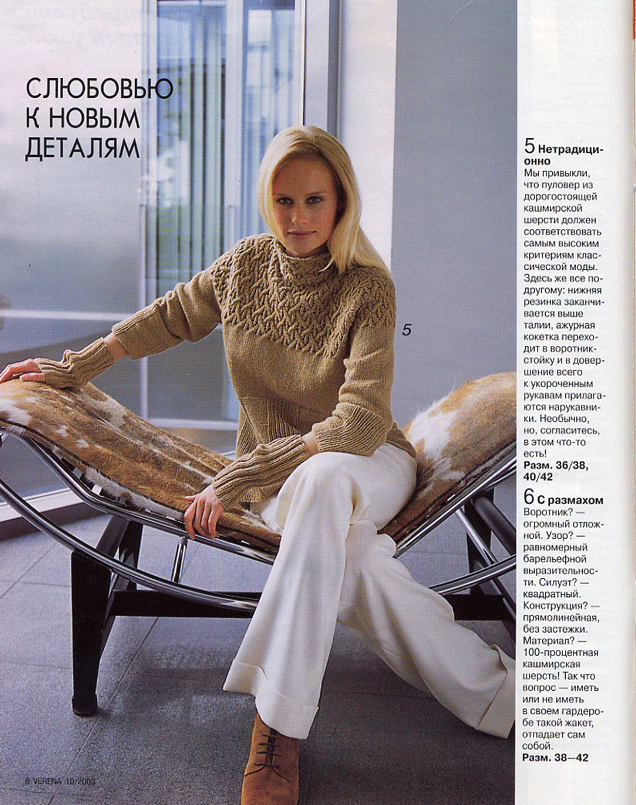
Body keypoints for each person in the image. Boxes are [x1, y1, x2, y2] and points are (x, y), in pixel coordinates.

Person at [0, 126, 514, 805]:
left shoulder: (369, 289)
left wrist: (244, 473)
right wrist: (78, 365)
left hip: (372, 464)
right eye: (283, 200)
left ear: (341, 202)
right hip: (288, 485)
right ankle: (501, 694)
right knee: (354, 559)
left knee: (324, 478)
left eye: (314, 200)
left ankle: (276, 728)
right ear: (266, 200)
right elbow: (169, 315)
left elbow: (360, 421)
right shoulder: (243, 266)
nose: (297, 217)